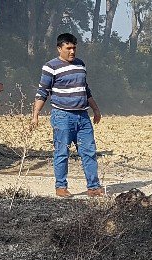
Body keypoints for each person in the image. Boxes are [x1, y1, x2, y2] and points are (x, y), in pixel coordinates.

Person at [31, 33, 104, 198]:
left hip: (83, 117)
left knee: (89, 152)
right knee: (62, 152)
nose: (72, 51)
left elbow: (86, 90)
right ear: (59, 48)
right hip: (62, 116)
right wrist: (35, 114)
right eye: (68, 48)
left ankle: (93, 187)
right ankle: (61, 187)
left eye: (74, 48)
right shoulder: (50, 67)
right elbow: (43, 91)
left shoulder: (81, 65)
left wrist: (96, 109)